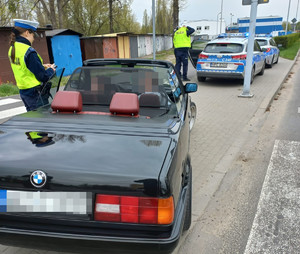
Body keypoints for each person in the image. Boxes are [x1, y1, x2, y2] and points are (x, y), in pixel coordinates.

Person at [8, 19, 56, 111]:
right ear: (27, 33)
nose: (34, 38)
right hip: (35, 93)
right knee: (42, 121)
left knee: (33, 119)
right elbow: (43, 76)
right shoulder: (29, 51)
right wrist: (51, 70)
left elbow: (24, 67)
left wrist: (42, 66)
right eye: (33, 34)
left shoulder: (12, 48)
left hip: (24, 92)